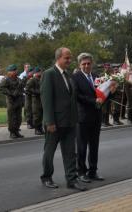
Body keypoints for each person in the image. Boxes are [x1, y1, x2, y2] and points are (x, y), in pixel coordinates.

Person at [40, 47, 86, 191]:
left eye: (70, 58)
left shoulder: (68, 75)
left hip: (69, 122)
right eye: (66, 58)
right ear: (58, 58)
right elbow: (46, 100)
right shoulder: (49, 74)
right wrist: (49, 121)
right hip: (54, 123)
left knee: (70, 152)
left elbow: (71, 98)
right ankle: (47, 177)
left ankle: (71, 180)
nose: (69, 60)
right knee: (49, 152)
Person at [72, 53, 106, 183]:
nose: (86, 66)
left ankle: (93, 171)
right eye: (84, 64)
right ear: (80, 65)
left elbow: (102, 94)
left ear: (92, 64)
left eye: (88, 63)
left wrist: (111, 92)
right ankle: (81, 172)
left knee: (94, 146)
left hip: (96, 116)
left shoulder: (97, 77)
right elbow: (77, 96)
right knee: (81, 147)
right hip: (82, 117)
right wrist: (93, 101)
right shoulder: (75, 77)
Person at [0, 64, 25, 139]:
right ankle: (12, 132)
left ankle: (17, 131)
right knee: (12, 117)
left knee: (18, 117)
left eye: (15, 70)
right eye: (14, 70)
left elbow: (22, 88)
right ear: (9, 72)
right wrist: (11, 93)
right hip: (11, 101)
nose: (16, 71)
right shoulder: (6, 79)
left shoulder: (18, 79)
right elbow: (2, 88)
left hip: (18, 100)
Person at [25, 67, 44, 135]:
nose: (41, 73)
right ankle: (37, 129)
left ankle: (40, 128)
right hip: (35, 99)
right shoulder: (32, 80)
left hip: (41, 99)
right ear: (36, 73)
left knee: (41, 115)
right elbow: (27, 90)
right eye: (39, 72)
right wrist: (37, 92)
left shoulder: (41, 79)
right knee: (37, 115)